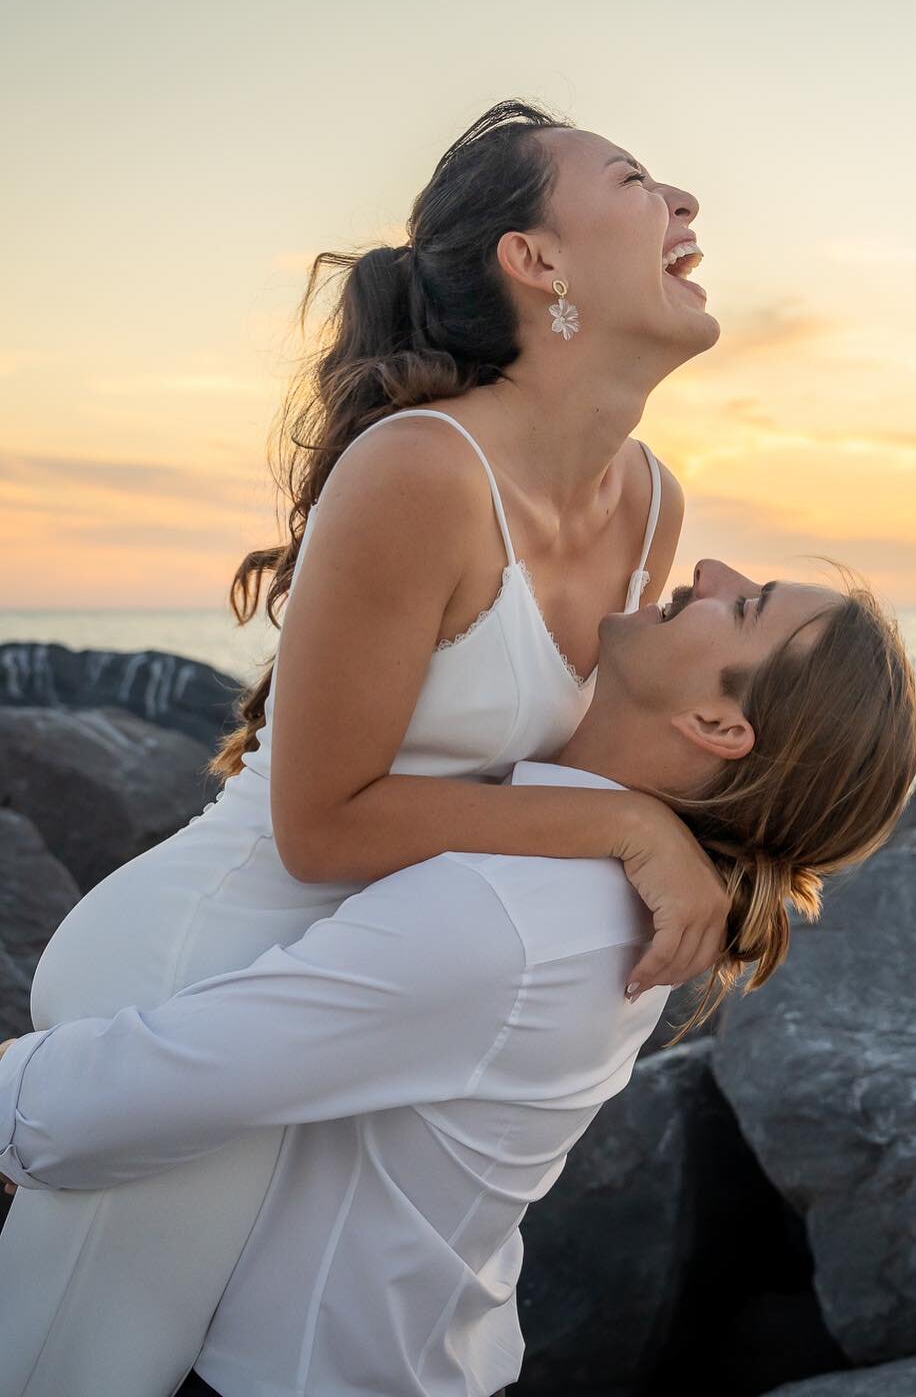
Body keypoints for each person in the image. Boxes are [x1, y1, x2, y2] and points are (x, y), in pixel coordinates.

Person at [0, 98, 734, 1397]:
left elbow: (567, 766)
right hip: (204, 966)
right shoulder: (422, 472)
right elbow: (321, 825)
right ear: (537, 260)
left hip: (367, 997)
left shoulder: (652, 499)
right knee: (84, 1369)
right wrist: (631, 830)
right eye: (636, 182)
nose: (686, 207)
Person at [0, 559, 916, 1397]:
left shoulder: (511, 920)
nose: (713, 570)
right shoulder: (589, 878)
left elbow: (124, 1095)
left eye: (748, 606)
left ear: (720, 725)